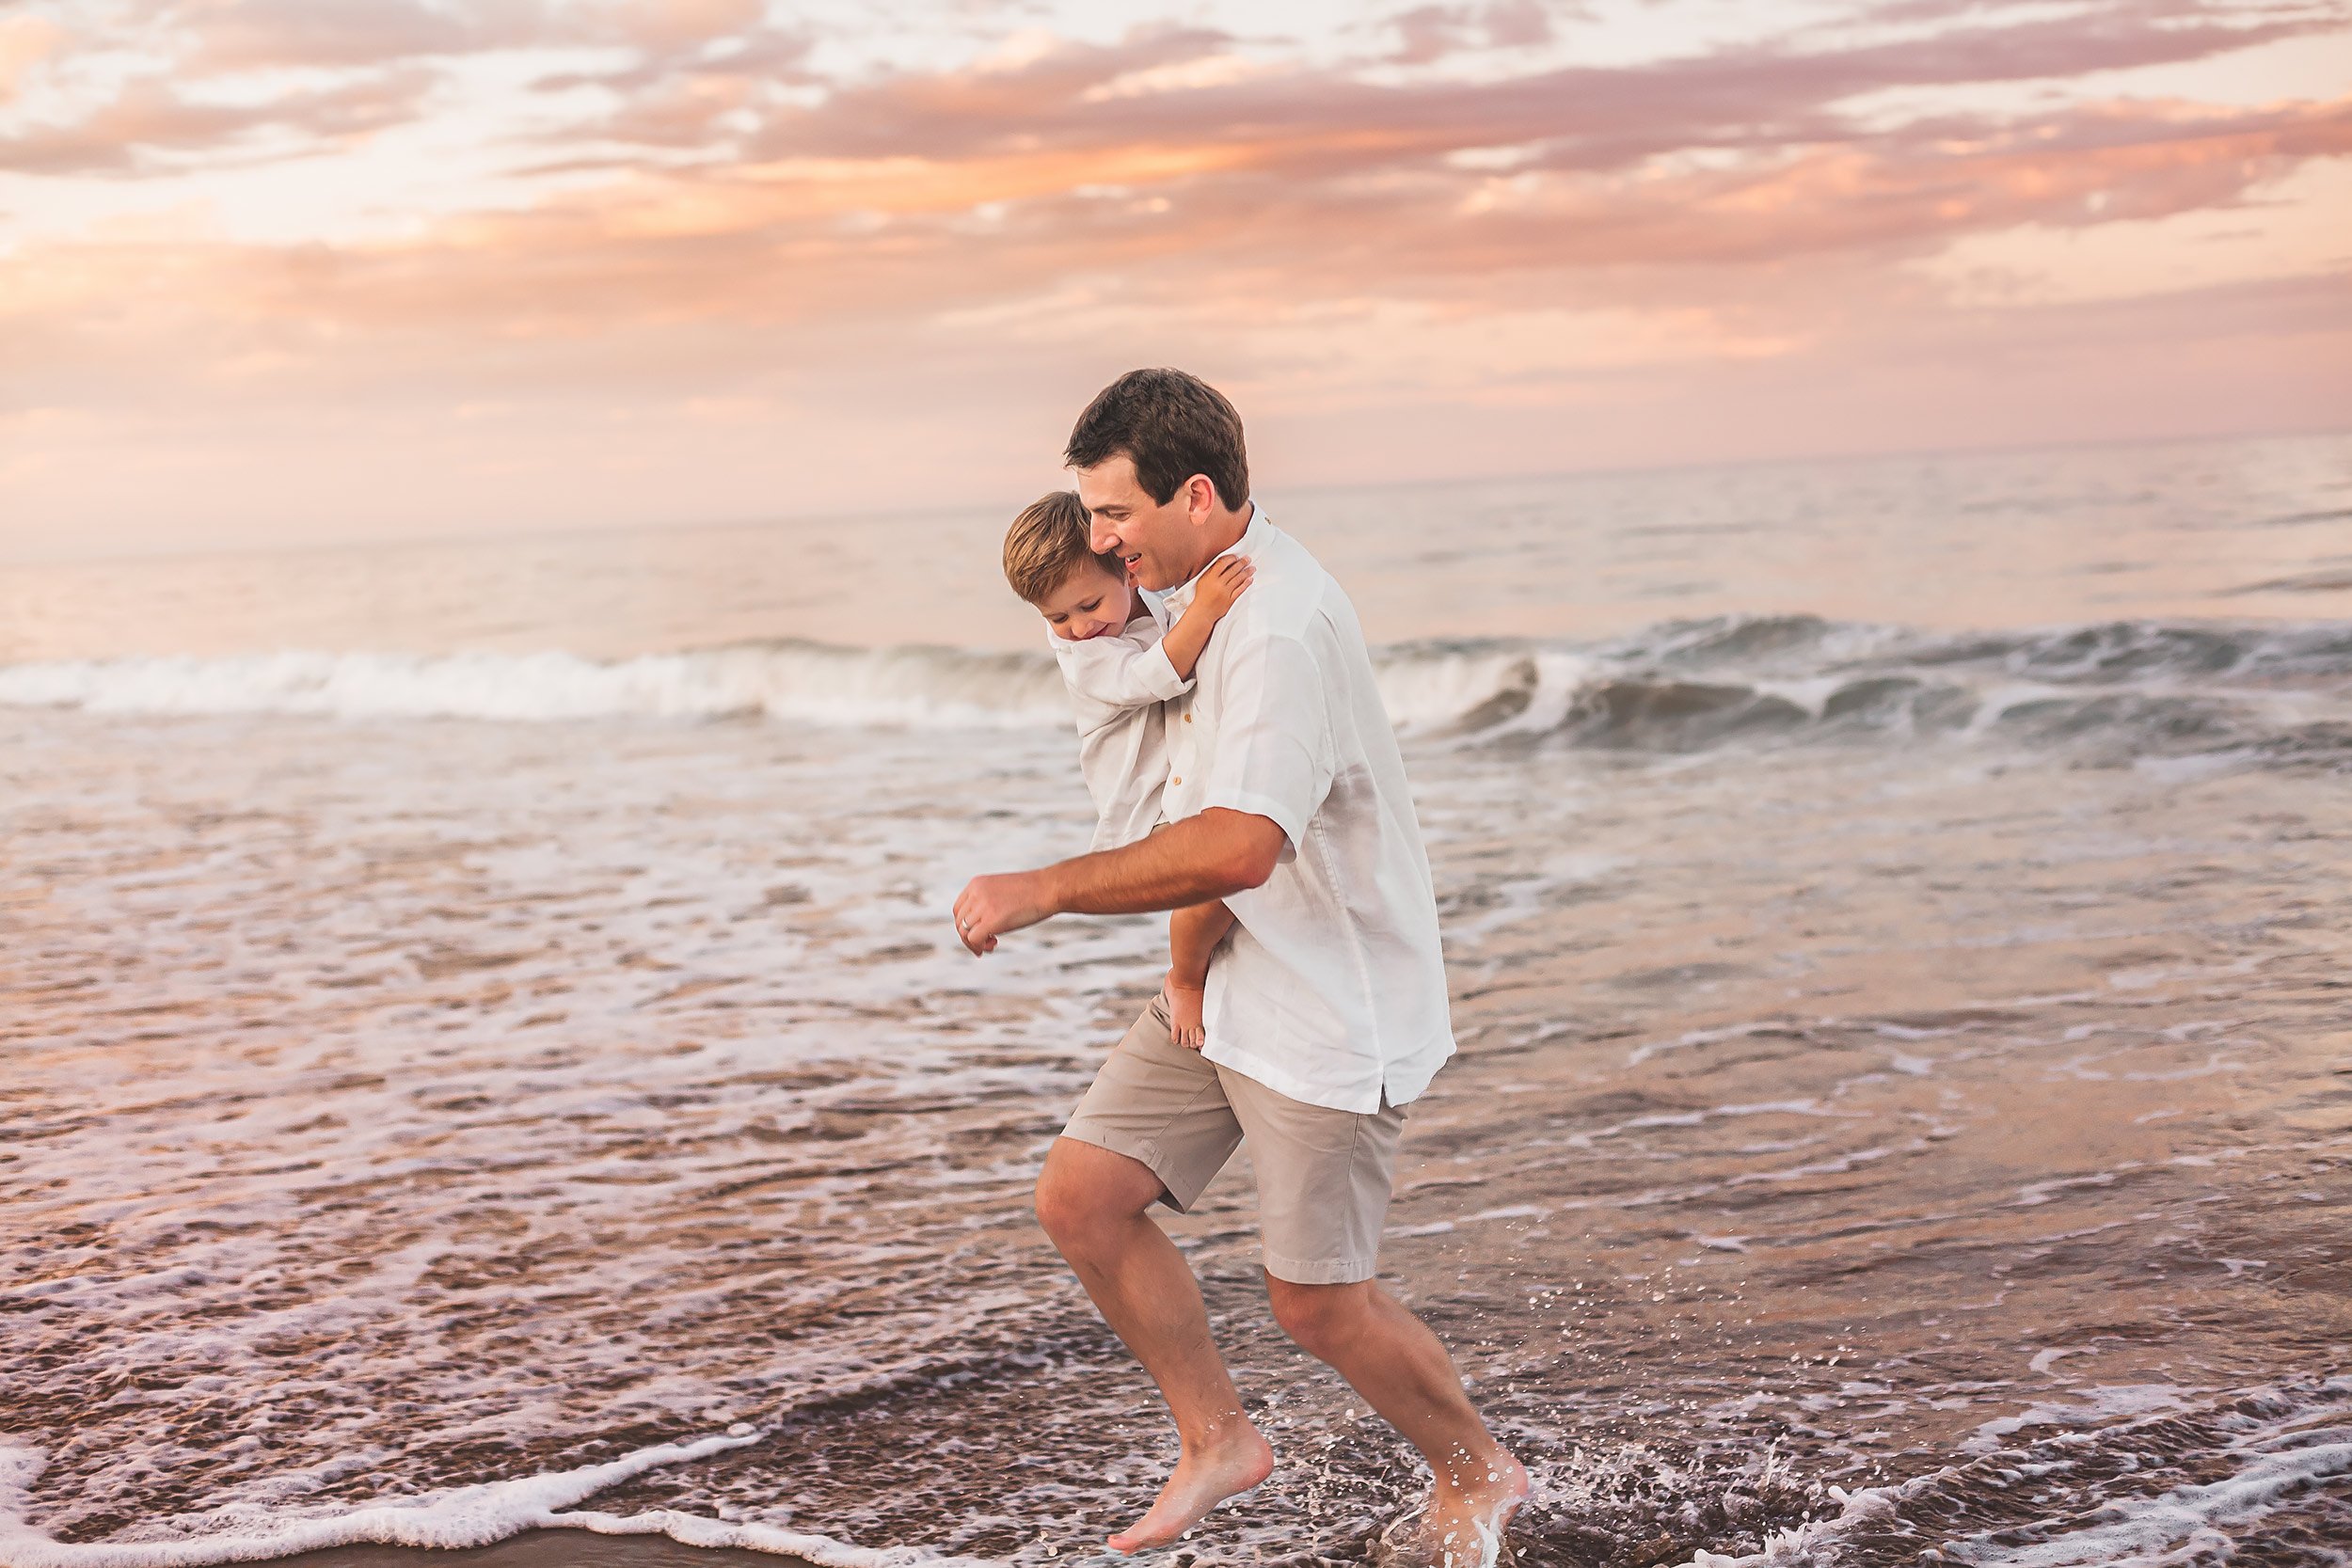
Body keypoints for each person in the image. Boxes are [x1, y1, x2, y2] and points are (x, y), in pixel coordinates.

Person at [954, 370, 1530, 1566]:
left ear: (1197, 495)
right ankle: (1218, 1438)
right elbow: (1187, 800)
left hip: (1323, 998)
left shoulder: (1274, 624)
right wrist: (1180, 966)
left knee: (1317, 1302)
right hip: (1224, 972)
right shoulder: (1179, 605)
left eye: (1113, 516)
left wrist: (1045, 884)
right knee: (1082, 1196)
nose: (1100, 540)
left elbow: (1241, 845)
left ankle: (1481, 1472)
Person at [1001, 489, 1251, 1046]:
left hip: (1180, 772)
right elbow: (1149, 677)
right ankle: (1184, 979)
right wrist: (1208, 608)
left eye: (1089, 606)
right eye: (1056, 617)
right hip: (1142, 794)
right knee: (1209, 887)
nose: (1078, 626)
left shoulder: (1146, 601)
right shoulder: (1086, 656)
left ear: (1129, 574)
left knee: (1235, 874)